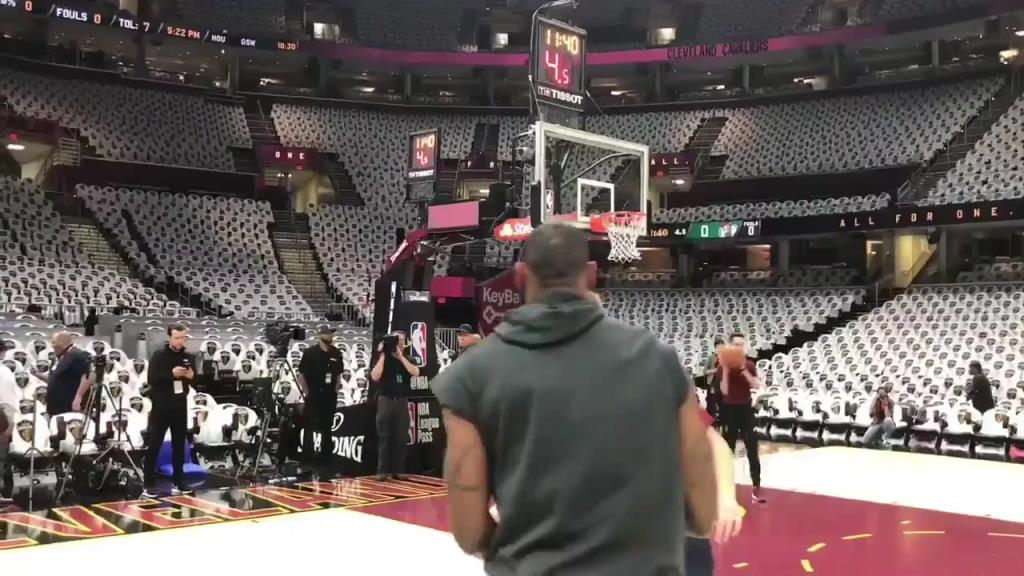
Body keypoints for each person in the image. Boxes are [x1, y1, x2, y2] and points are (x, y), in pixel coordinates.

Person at [431, 223, 718, 574]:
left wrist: (522, 555)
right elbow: (703, 507)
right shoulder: (658, 359)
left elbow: (469, 530)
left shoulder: (470, 376)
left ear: (520, 276)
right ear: (591, 274)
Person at [142, 324, 195, 497]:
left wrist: (191, 376)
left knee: (179, 445)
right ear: (170, 337)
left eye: (183, 337)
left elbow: (196, 380)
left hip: (180, 404)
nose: (180, 341)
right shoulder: (159, 355)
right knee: (154, 443)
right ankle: (148, 483)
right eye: (177, 337)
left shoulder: (188, 356)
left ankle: (178, 481)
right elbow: (152, 378)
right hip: (161, 404)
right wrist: (172, 374)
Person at [717, 332, 767, 504]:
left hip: (745, 410)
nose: (739, 348)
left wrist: (742, 369)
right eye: (736, 345)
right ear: (730, 346)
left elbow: (755, 384)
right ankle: (724, 488)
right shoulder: (722, 366)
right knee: (727, 452)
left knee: (752, 450)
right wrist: (726, 369)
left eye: (741, 345)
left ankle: (757, 487)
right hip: (729, 410)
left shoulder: (749, 364)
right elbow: (724, 390)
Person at [369, 330, 420, 481]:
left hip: (402, 401)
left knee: (401, 436)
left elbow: (416, 372)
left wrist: (401, 357)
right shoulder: (383, 358)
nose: (399, 343)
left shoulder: (409, 359)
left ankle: (399, 470)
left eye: (402, 340)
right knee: (384, 436)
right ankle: (382, 471)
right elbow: (375, 376)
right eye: (397, 340)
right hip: (385, 400)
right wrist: (383, 354)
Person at [297, 325, 345, 470]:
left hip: (329, 395)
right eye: (328, 334)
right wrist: (307, 392)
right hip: (314, 394)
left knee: (327, 428)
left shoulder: (336, 352)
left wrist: (336, 391)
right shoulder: (310, 352)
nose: (330, 336)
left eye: (331, 334)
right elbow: (301, 374)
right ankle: (307, 459)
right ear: (320, 336)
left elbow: (338, 374)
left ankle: (326, 458)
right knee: (310, 427)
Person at [46, 332, 93, 416]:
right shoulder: (61, 357)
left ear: (61, 343)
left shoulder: (77, 355)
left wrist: (78, 397)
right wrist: (37, 374)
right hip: (57, 407)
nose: (52, 347)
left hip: (69, 406)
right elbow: (56, 379)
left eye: (54, 344)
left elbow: (89, 375)